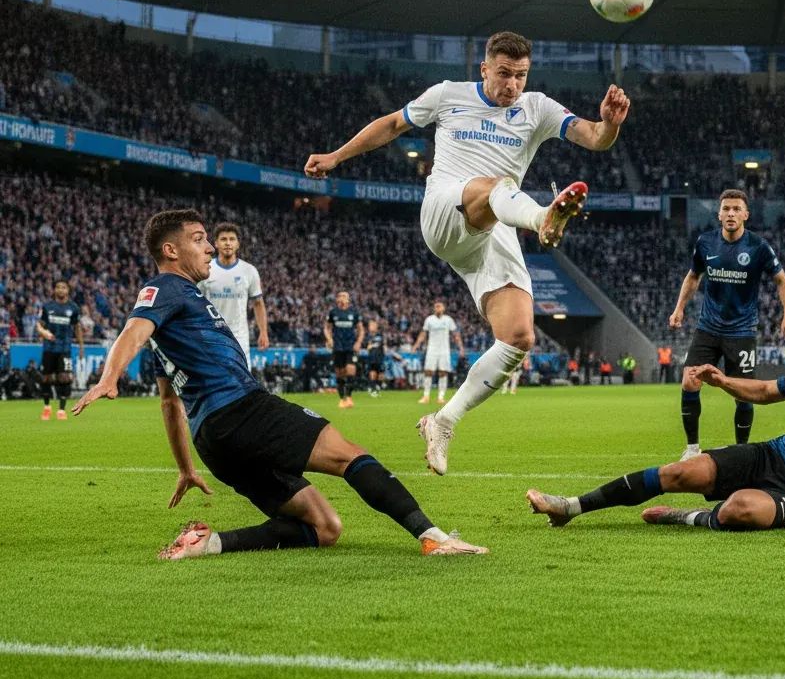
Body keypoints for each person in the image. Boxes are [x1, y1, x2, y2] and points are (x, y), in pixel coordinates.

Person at [305, 30, 630, 475]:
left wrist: (610, 124)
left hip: (495, 227)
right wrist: (336, 156)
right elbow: (393, 125)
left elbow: (593, 137)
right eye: (504, 73)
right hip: (444, 210)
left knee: (519, 337)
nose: (512, 84)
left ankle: (442, 421)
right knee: (497, 185)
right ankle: (543, 219)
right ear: (484, 68)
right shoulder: (447, 95)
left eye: (520, 75)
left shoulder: (537, 107)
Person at [73, 210, 487, 559]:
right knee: (350, 455)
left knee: (325, 528)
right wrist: (110, 376)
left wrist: (185, 468)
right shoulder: (165, 287)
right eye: (199, 240)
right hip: (242, 410)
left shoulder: (175, 323)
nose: (210, 247)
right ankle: (433, 537)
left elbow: (169, 403)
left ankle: (209, 543)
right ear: (171, 250)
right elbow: (134, 329)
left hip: (213, 442)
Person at [527, 315, 785, 534]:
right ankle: (570, 507)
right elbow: (767, 391)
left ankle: (689, 517)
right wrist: (722, 381)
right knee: (678, 472)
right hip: (769, 456)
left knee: (741, 509)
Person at [669, 188, 785, 459]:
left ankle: (741, 451)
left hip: (742, 331)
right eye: (726, 209)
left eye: (736, 209)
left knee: (743, 393)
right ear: (719, 214)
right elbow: (693, 276)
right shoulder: (705, 242)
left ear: (745, 215)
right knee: (690, 381)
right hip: (708, 327)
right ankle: (692, 448)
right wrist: (679, 308)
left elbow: (782, 281)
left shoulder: (758, 247)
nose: (731, 213)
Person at [198, 223, 269, 369]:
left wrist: (263, 332)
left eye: (232, 239)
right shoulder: (206, 268)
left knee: (242, 379)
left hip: (239, 337)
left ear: (238, 244)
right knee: (214, 377)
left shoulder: (249, 271)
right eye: (223, 239)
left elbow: (258, 303)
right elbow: (195, 302)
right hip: (211, 335)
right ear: (216, 243)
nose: (228, 243)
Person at [37, 279, 84, 420]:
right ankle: (47, 407)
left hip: (65, 348)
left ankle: (61, 410)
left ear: (68, 290)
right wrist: (43, 333)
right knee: (46, 377)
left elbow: (77, 328)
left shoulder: (73, 308)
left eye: (63, 287)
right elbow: (39, 325)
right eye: (58, 287)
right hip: (49, 347)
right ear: (54, 290)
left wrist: (81, 346)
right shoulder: (47, 307)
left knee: (64, 377)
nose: (60, 290)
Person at [411, 300, 464, 405]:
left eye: (440, 306)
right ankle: (426, 396)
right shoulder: (429, 319)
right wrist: (416, 345)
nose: (438, 308)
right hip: (432, 349)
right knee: (428, 371)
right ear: (434, 308)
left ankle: (441, 397)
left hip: (444, 350)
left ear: (443, 308)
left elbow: (456, 334)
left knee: (443, 372)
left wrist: (461, 347)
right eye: (436, 306)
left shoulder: (448, 320)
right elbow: (423, 333)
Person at [324, 291, 364, 410]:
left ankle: (349, 397)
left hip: (350, 347)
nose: (342, 298)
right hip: (338, 347)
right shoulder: (333, 312)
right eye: (340, 296)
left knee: (351, 371)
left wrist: (358, 342)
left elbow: (361, 330)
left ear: (348, 299)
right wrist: (329, 339)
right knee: (340, 373)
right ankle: (342, 399)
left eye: (344, 296)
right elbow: (327, 328)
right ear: (337, 299)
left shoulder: (354, 313)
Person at [362, 318, 387, 397]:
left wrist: (385, 348)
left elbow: (384, 345)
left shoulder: (380, 335)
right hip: (372, 357)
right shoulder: (367, 336)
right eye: (371, 325)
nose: (372, 326)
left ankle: (377, 387)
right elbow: (367, 347)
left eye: (374, 325)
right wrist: (371, 345)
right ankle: (373, 389)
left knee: (381, 374)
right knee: (372, 372)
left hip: (380, 357)